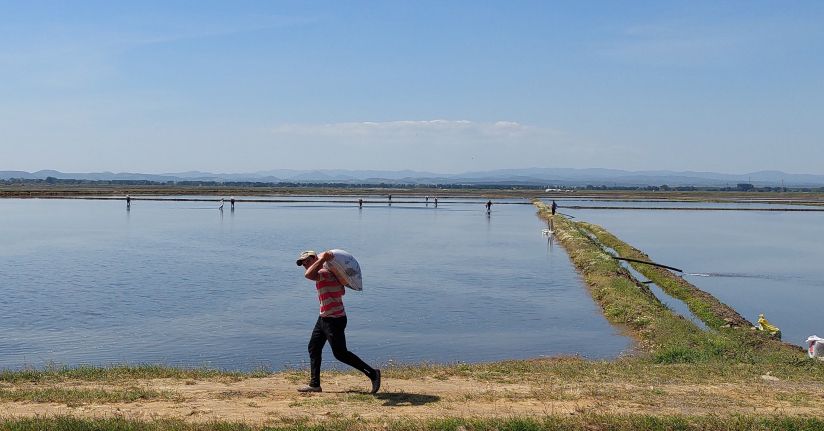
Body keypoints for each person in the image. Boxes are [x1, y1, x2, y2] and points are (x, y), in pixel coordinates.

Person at [296, 250, 381, 394]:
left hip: (334, 319)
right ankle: (315, 384)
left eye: (307, 262)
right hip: (324, 317)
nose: (305, 265)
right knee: (314, 347)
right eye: (303, 264)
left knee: (341, 354)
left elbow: (308, 275)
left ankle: (373, 373)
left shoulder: (324, 273)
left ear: (315, 258)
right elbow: (342, 291)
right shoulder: (327, 273)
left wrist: (322, 259)